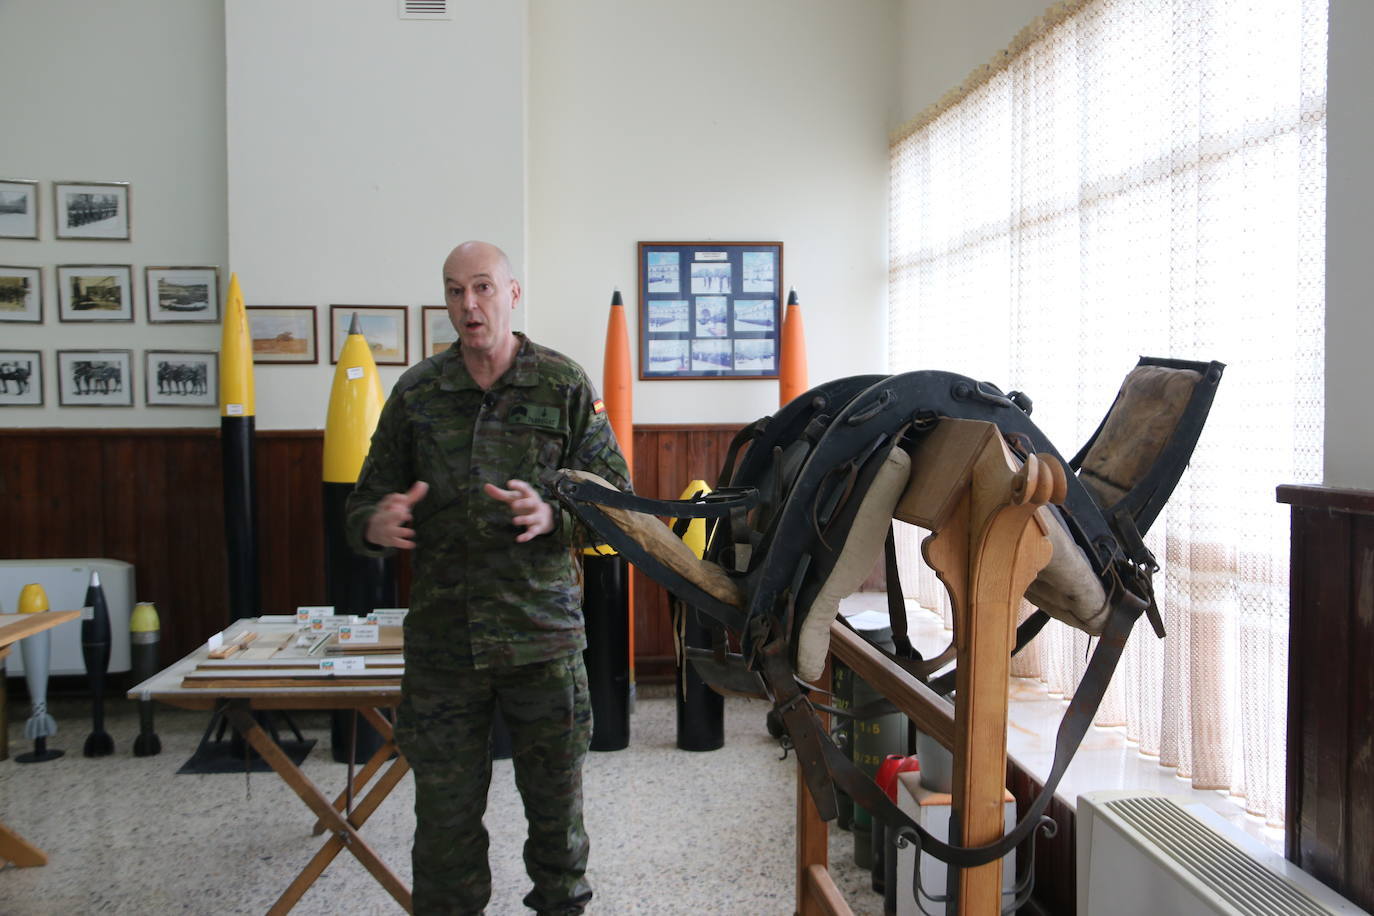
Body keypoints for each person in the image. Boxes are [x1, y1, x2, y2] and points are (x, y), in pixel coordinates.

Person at [346, 240, 630, 915]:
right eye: (453, 291)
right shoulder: (418, 393)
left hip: (542, 641)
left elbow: (618, 503)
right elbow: (364, 499)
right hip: (445, 649)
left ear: (512, 293)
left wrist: (556, 514)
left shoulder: (562, 384)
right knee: (443, 830)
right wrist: (373, 524)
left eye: (481, 288)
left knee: (557, 822)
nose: (468, 306)